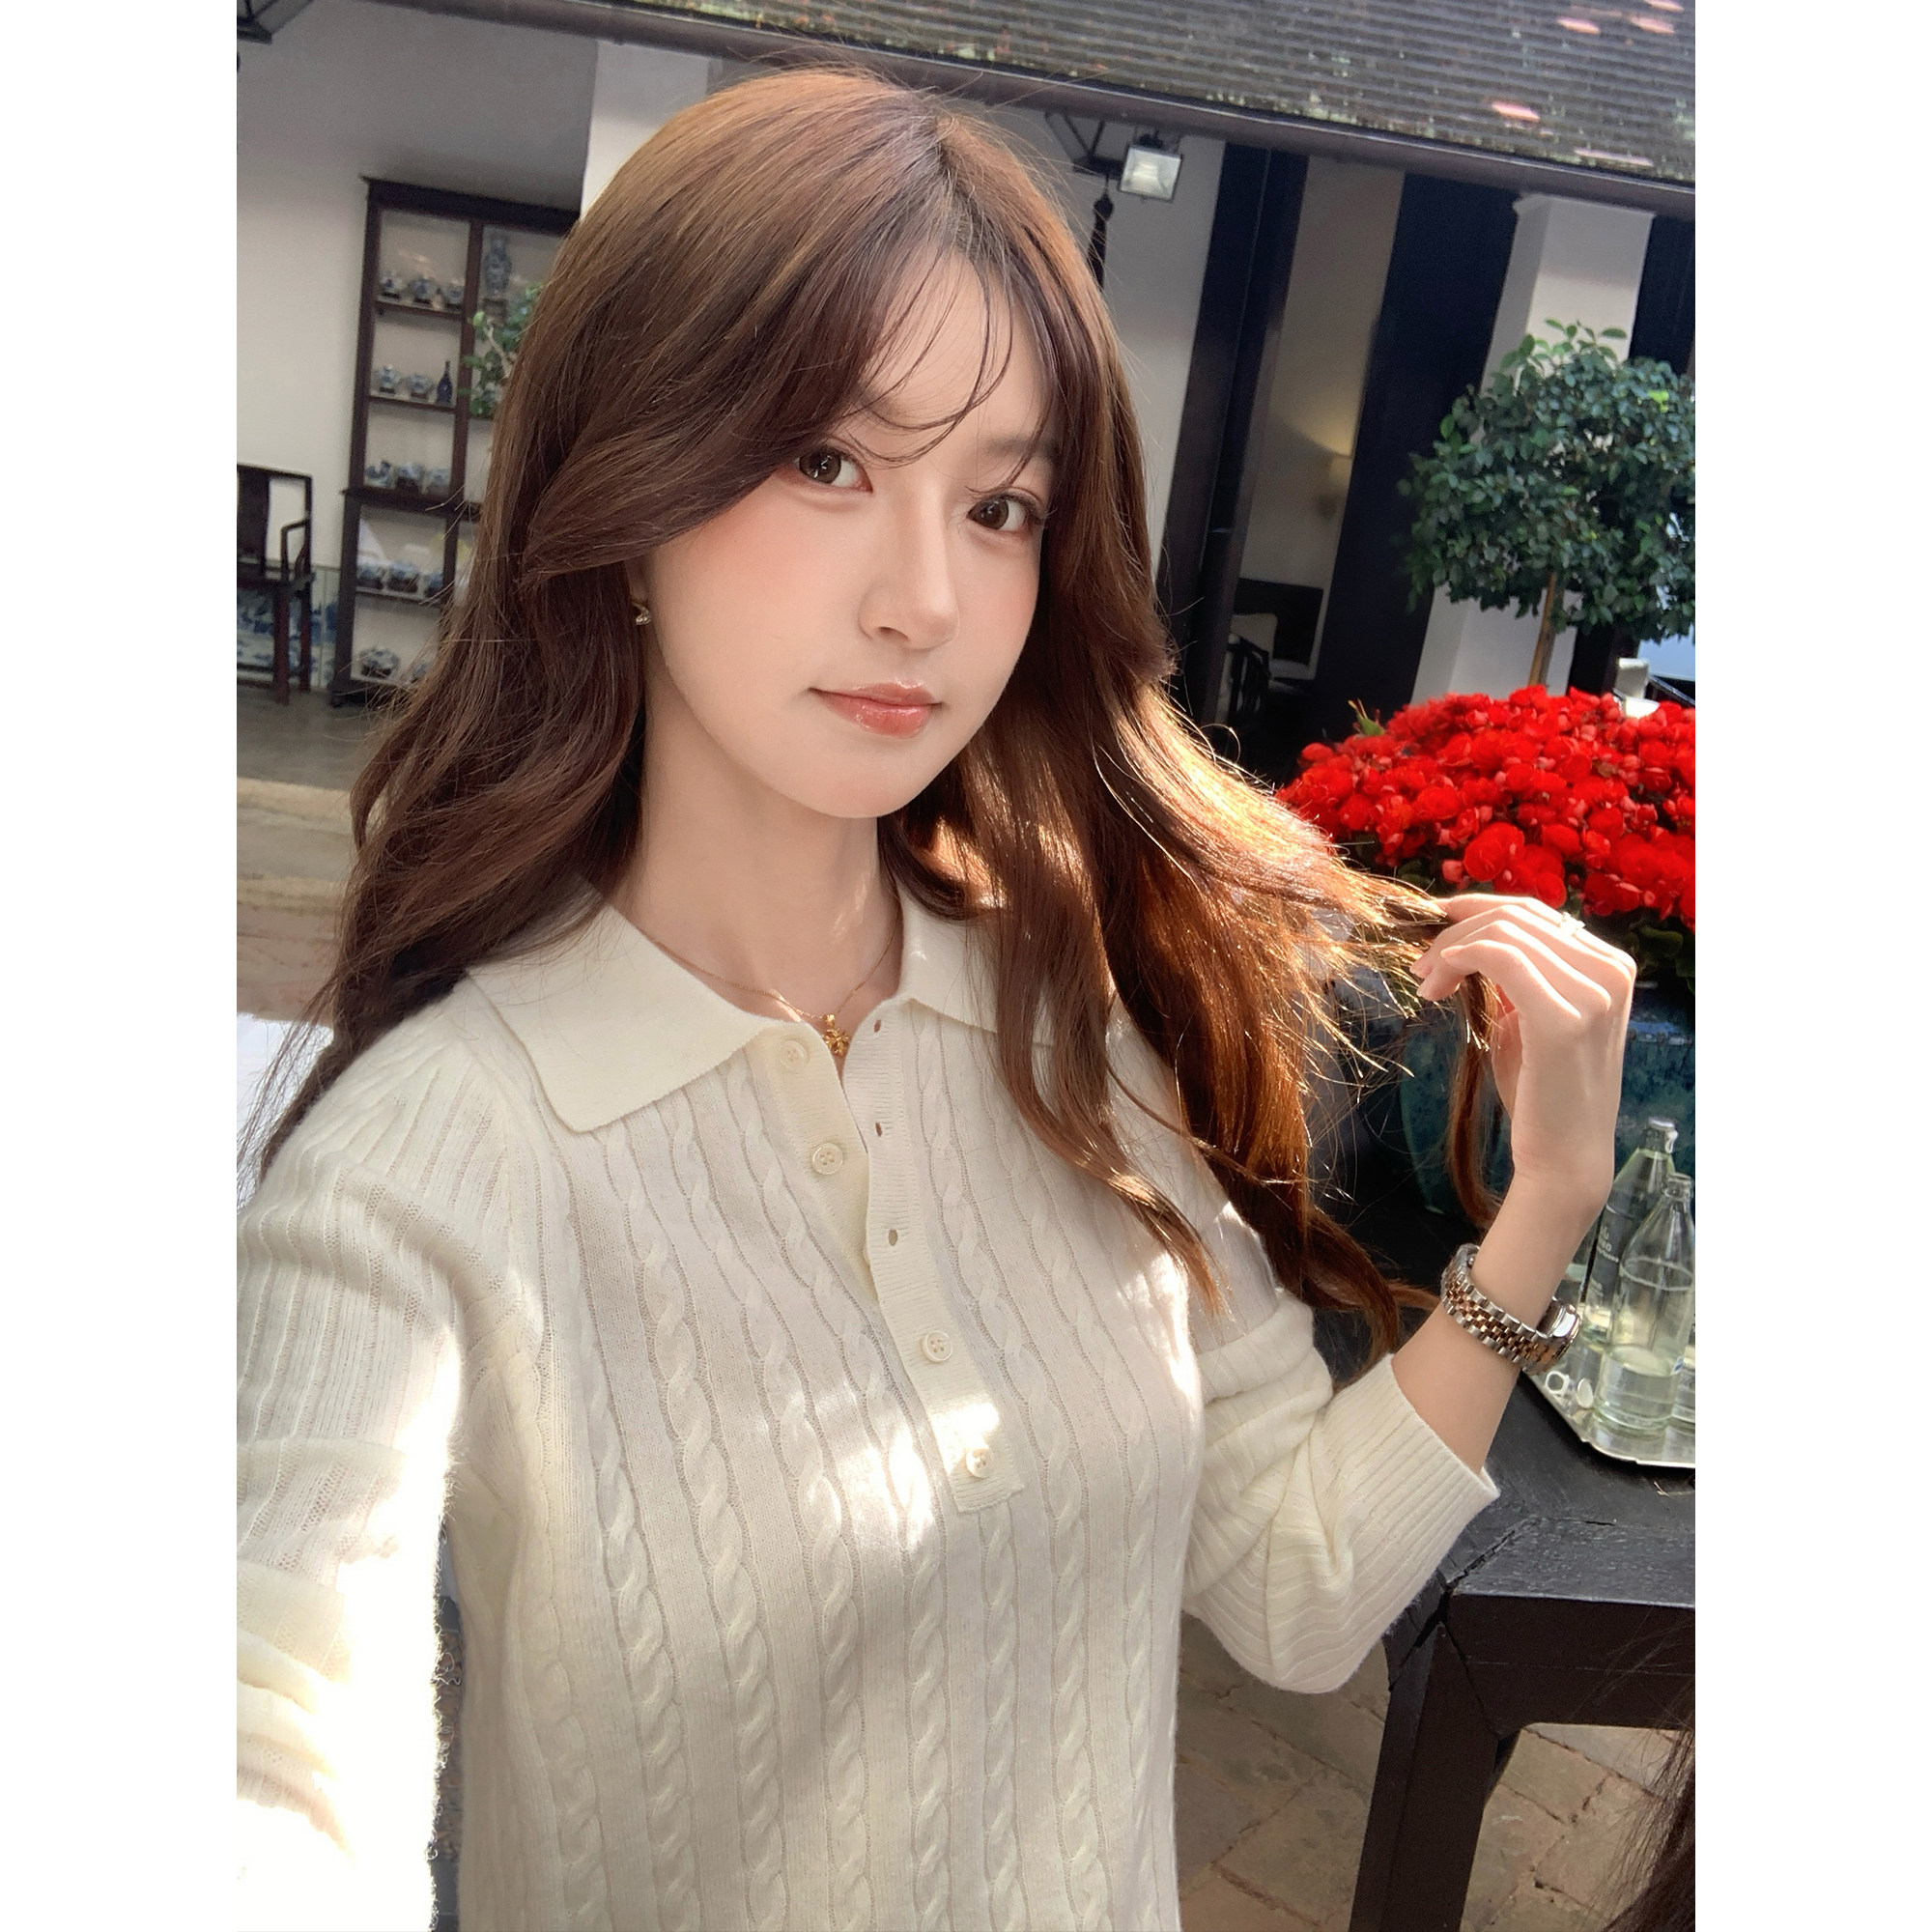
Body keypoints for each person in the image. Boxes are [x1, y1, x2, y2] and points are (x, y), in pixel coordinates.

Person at [238, 64, 1634, 1932]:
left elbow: (1297, 1590)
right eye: (827, 463)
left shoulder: (1074, 1034)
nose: (926, 599)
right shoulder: (426, 1166)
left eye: (1000, 504)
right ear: (620, 490)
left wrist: (1545, 1210)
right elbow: (270, 1723)